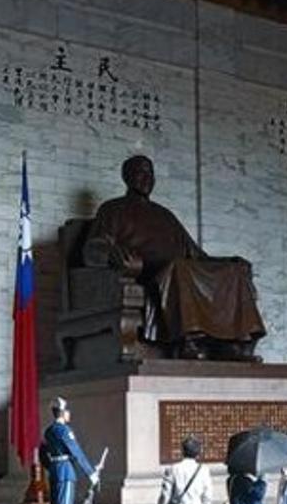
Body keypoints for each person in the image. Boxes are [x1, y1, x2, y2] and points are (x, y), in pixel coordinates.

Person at [83, 154, 266, 360]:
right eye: (140, 172)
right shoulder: (113, 209)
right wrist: (112, 253)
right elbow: (93, 248)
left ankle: (237, 343)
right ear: (127, 177)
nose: (147, 178)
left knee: (234, 270)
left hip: (178, 272)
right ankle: (188, 341)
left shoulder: (164, 215)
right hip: (149, 274)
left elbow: (197, 255)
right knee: (179, 268)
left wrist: (229, 261)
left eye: (150, 173)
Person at [40, 397, 101, 504]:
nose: (69, 414)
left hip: (54, 471)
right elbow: (76, 452)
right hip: (65, 472)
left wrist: (52, 466)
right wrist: (91, 473)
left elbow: (42, 453)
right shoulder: (64, 430)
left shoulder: (48, 431)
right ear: (62, 413)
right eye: (67, 411)